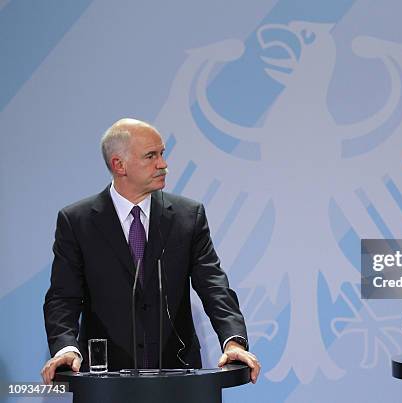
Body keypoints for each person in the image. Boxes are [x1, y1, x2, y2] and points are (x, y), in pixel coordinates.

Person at [41, 118, 260, 384]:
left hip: (179, 377)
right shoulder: (77, 221)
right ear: (118, 165)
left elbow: (214, 286)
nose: (163, 164)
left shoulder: (187, 216)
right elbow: (63, 297)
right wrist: (65, 347)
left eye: (162, 153)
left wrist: (233, 341)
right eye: (150, 156)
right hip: (106, 381)